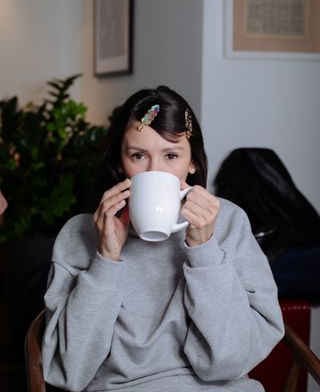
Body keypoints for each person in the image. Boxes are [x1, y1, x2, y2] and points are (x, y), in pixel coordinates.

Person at [42, 85, 284, 392]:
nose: (155, 171)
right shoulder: (80, 234)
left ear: (192, 162)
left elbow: (228, 361)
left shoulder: (229, 222)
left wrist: (205, 250)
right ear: (119, 162)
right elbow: (70, 371)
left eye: (171, 155)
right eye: (138, 155)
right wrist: (106, 259)